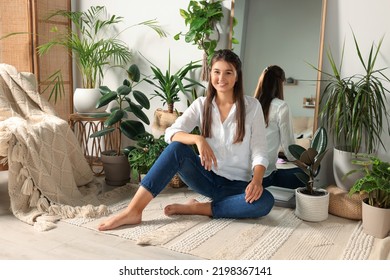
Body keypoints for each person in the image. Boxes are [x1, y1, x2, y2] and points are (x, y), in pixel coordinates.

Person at [98, 49, 274, 231]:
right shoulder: (201, 105)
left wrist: (257, 181)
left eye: (228, 72)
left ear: (237, 77)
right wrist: (198, 139)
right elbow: (171, 133)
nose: (221, 78)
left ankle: (199, 208)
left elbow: (259, 150)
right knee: (176, 149)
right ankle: (133, 211)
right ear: (210, 74)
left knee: (265, 202)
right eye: (217, 72)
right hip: (206, 178)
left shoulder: (252, 107)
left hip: (237, 186)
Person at [253, 65, 305, 189]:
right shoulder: (281, 106)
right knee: (308, 172)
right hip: (265, 176)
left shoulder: (249, 104)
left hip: (243, 173)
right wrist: (304, 165)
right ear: (281, 83)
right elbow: (289, 147)